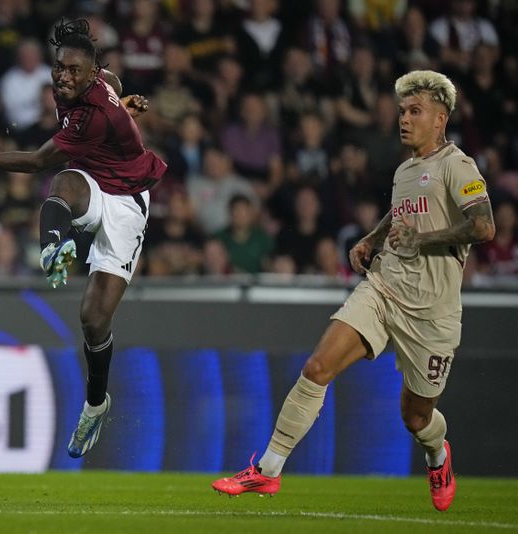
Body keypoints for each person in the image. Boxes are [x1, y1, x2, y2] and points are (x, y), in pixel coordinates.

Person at [212, 70, 495, 512]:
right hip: (383, 289)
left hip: (432, 313)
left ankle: (438, 455)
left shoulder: (457, 166)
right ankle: (267, 471)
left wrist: (422, 240)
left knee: (416, 418)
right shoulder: (405, 170)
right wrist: (373, 238)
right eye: (402, 111)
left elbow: (483, 225)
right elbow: (400, 214)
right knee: (317, 366)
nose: (404, 119)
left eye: (415, 111)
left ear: (440, 119)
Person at [0, 18, 165, 458]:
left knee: (93, 319)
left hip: (127, 202)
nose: (63, 76)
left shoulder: (91, 116)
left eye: (73, 70)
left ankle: (95, 406)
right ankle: (53, 246)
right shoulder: (101, 81)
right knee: (66, 183)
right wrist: (127, 106)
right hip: (94, 184)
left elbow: (34, 162)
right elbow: (114, 82)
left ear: (89, 71)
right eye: (59, 67)